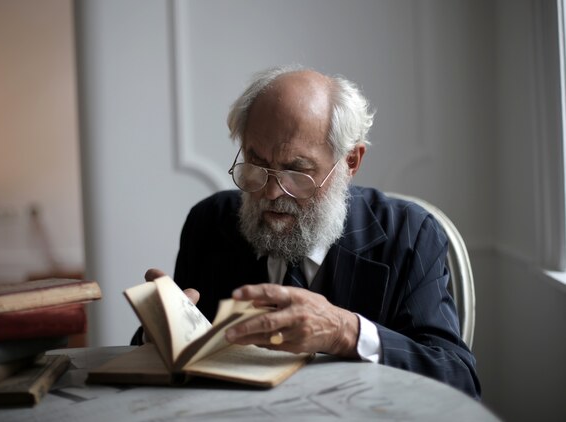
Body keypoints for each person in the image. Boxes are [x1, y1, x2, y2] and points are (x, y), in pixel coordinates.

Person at [132, 65, 481, 398]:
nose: (270, 192)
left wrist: (345, 332)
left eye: (296, 172)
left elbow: (459, 378)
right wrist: (157, 338)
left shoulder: (409, 234)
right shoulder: (210, 221)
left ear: (351, 162)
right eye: (256, 164)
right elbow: (177, 359)